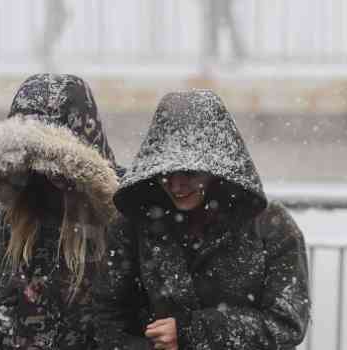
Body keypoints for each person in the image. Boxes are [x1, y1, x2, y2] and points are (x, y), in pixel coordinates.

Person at [113, 90, 310, 349]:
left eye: (190, 172)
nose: (176, 185)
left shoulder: (272, 226)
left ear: (218, 169)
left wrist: (191, 333)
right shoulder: (136, 222)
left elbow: (287, 323)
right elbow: (110, 314)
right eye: (165, 173)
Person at [0, 74, 145, 349]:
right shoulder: (19, 207)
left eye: (51, 159)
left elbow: (143, 310)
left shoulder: (126, 205)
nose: (44, 171)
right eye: (30, 155)